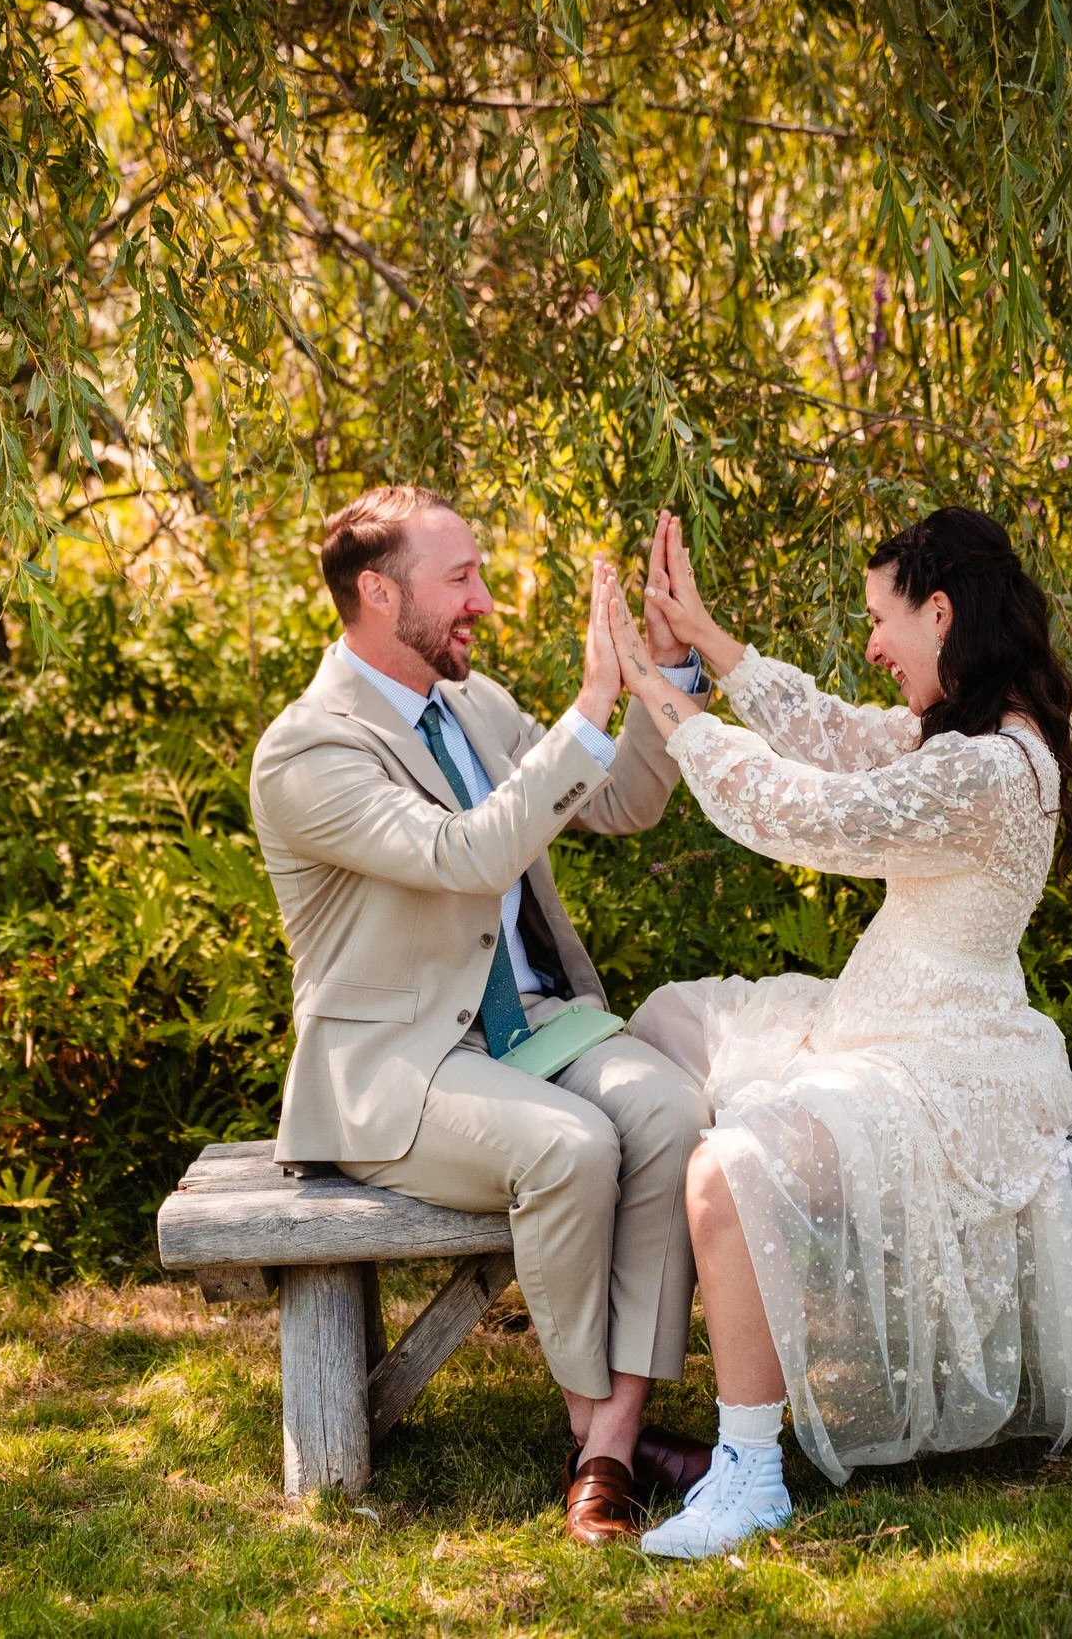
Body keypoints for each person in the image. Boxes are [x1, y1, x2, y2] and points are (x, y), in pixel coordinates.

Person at [603, 506, 1072, 1560]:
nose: (868, 644)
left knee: (725, 1167)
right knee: (672, 1018)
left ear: (939, 612)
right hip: (881, 1017)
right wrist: (710, 641)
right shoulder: (970, 740)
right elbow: (839, 739)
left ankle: (747, 1471)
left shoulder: (986, 771)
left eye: (877, 619)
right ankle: (622, 1316)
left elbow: (808, 811)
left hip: (936, 1069)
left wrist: (662, 698)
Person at [249, 485, 715, 1544]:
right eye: (460, 578)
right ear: (378, 592)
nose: (484, 601)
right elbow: (462, 857)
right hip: (401, 1061)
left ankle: (607, 1440)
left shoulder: (477, 708)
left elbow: (624, 802)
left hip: (530, 1023)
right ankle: (609, 1444)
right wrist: (586, 707)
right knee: (568, 1147)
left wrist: (656, 672)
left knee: (671, 1114)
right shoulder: (307, 749)